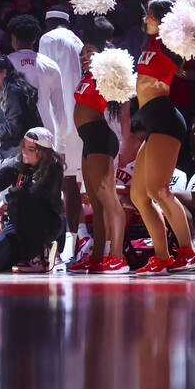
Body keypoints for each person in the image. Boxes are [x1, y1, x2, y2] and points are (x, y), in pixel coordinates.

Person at [128, 0, 195, 275]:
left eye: (150, 15)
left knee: (159, 190)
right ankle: (162, 258)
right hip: (153, 123)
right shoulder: (149, 44)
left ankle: (190, 252)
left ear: (163, 19)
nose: (145, 20)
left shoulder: (171, 45)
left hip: (165, 119)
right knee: (139, 195)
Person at [70, 16, 130, 275]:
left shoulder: (105, 77)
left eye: (90, 52)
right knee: (95, 202)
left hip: (100, 137)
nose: (84, 57)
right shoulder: (87, 75)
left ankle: (117, 257)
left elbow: (120, 105)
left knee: (108, 198)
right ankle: (97, 257)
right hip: (88, 140)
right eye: (82, 53)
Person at [0, 127, 65, 273]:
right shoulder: (17, 163)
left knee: (19, 202)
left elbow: (35, 193)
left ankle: (37, 253)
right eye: (24, 146)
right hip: (21, 224)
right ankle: (33, 255)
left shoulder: (54, 166)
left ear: (42, 152)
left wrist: (6, 201)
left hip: (48, 222)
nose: (24, 151)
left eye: (30, 148)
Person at [37, 6, 86, 264]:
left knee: (51, 185)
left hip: (56, 120)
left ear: (47, 22)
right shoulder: (78, 41)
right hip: (79, 120)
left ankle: (50, 248)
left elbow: (44, 80)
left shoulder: (47, 39)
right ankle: (72, 244)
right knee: (71, 183)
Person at [6, 15, 68, 155]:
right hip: (44, 134)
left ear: (14, 38)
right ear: (34, 39)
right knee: (40, 176)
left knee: (16, 176)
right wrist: (61, 146)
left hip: (13, 134)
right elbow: (59, 108)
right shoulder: (50, 65)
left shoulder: (5, 63)